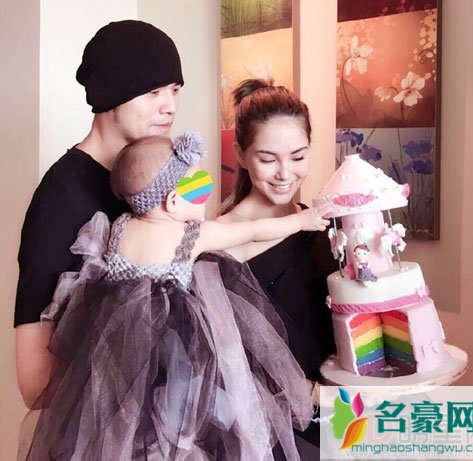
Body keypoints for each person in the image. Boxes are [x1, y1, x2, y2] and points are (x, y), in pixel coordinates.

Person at [25, 133, 333, 460]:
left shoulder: (119, 227)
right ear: (172, 202)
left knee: (123, 422)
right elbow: (253, 231)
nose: (204, 197)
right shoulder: (190, 235)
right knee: (204, 407)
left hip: (119, 348)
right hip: (178, 350)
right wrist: (302, 220)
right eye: (198, 188)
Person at [14, 20, 184, 409]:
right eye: (153, 91)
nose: (171, 105)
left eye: (175, 90)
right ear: (111, 92)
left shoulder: (164, 172)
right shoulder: (59, 199)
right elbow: (34, 384)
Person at [218, 79, 338, 452]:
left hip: (347, 407)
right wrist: (314, 395)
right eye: (268, 159)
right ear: (240, 154)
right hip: (281, 431)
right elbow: (229, 365)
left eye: (298, 157)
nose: (285, 173)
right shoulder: (222, 241)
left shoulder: (322, 224)